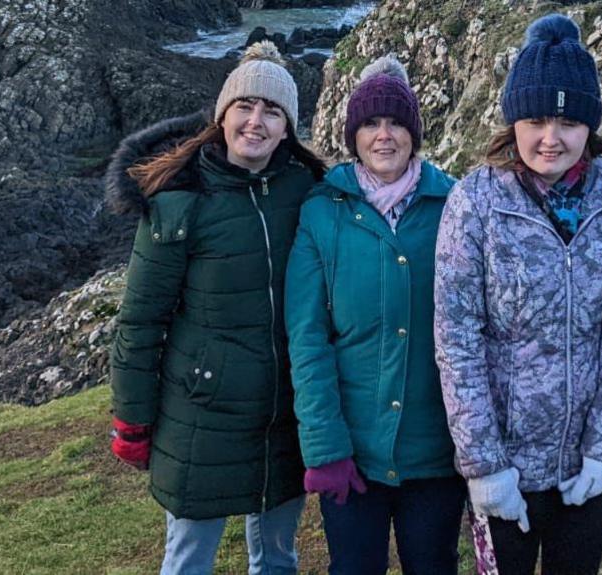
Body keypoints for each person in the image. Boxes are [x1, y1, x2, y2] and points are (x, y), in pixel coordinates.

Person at [433, 14, 602, 575]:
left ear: (590, 126)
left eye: (568, 120)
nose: (550, 138)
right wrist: (485, 466)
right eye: (535, 119)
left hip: (585, 465)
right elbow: (456, 339)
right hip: (504, 465)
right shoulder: (474, 202)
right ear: (513, 122)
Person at [104, 41, 326, 575]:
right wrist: (131, 421)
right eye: (245, 107)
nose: (256, 121)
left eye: (273, 111)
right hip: (200, 414)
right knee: (188, 561)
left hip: (283, 410)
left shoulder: (307, 190)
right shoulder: (179, 201)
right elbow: (139, 322)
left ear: (287, 127)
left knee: (276, 559)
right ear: (222, 116)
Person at [284, 55, 465, 575]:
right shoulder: (322, 211)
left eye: (396, 123)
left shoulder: (455, 204)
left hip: (435, 453)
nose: (384, 136)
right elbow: (307, 336)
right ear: (352, 134)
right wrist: (324, 448)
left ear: (414, 133)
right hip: (352, 453)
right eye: (370, 123)